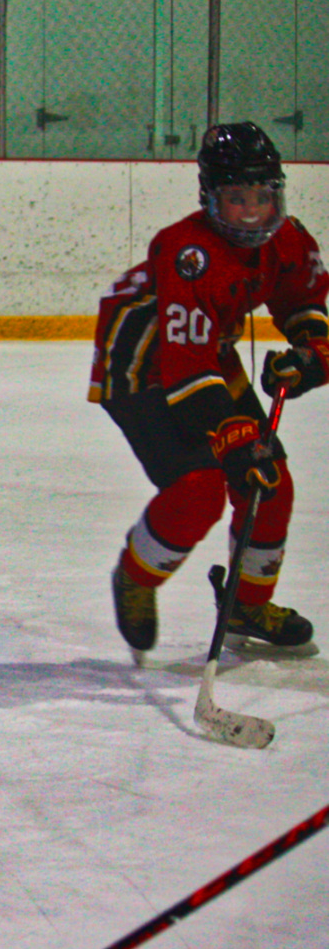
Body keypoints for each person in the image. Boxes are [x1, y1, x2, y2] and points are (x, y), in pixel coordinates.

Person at [90, 121, 328, 660]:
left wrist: (309, 357)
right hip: (141, 364)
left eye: (261, 197)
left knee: (270, 480)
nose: (251, 213)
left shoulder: (289, 238)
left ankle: (247, 605)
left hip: (205, 354)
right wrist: (233, 435)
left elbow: (302, 299)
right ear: (210, 198)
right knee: (200, 489)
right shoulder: (188, 252)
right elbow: (184, 365)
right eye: (236, 199)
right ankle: (136, 576)